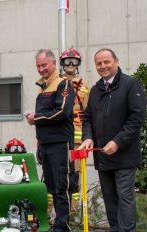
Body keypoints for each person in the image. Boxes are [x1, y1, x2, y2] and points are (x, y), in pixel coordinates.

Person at [79, 48, 147, 232]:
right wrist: (88, 137)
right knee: (109, 197)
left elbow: (137, 118)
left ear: (116, 61)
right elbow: (88, 118)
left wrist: (118, 141)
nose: (103, 66)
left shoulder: (130, 84)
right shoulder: (96, 89)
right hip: (103, 156)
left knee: (124, 197)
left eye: (106, 62)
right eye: (99, 63)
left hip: (124, 155)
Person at [24, 49, 76, 232]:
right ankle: (56, 225)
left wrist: (35, 118)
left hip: (60, 144)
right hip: (46, 144)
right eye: (38, 66)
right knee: (52, 187)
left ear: (54, 63)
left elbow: (62, 112)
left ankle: (62, 229)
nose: (41, 69)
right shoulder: (43, 86)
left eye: (44, 65)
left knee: (61, 187)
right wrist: (39, 142)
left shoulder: (63, 84)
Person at [60, 47, 90, 216]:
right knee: (58, 176)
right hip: (59, 137)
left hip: (78, 141)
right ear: (62, 63)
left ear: (78, 63)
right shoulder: (54, 82)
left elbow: (89, 115)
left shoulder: (85, 87)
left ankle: (73, 214)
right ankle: (54, 215)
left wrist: (88, 138)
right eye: (67, 60)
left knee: (75, 178)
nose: (70, 64)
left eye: (74, 61)